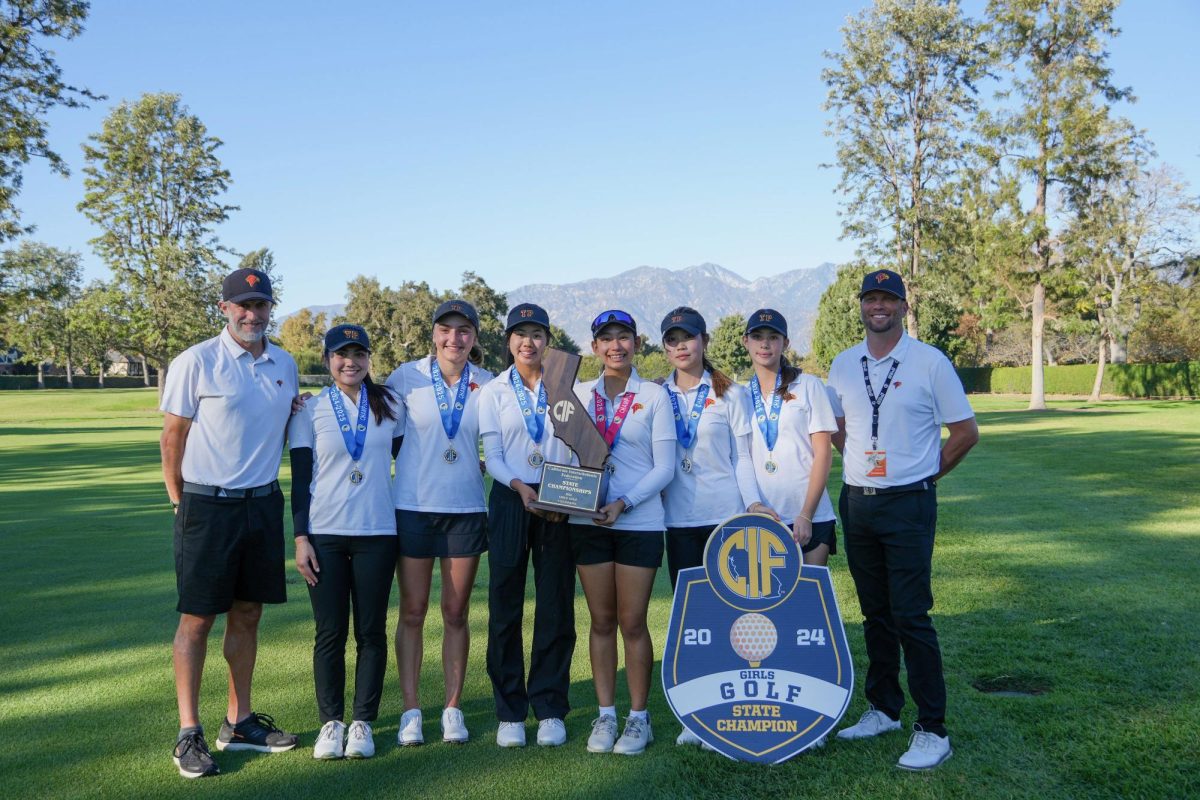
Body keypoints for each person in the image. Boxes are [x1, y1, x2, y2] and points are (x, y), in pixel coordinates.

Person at [826, 269, 979, 770]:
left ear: (903, 307)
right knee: (875, 614)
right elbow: (838, 428)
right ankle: (884, 708)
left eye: (889, 299)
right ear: (862, 305)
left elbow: (964, 432)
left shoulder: (929, 362)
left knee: (912, 615)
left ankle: (932, 728)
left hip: (908, 501)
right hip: (858, 501)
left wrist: (924, 475)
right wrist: (859, 462)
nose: (879, 307)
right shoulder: (844, 364)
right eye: (872, 298)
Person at [160, 268, 300, 779]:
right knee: (197, 619)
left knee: (248, 614)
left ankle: (238, 722)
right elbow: (172, 439)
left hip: (262, 505)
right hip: (206, 506)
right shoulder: (197, 361)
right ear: (224, 308)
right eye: (243, 305)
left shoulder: (284, 362)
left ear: (269, 308)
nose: (252, 314)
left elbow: (285, 424)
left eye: (260, 304)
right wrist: (181, 502)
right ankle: (189, 732)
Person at [288, 325, 402, 760]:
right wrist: (302, 538)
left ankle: (362, 723)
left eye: (358, 353)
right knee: (330, 633)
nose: (350, 361)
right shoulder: (308, 411)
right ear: (328, 359)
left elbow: (410, 456)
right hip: (326, 536)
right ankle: (331, 723)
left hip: (378, 532)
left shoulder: (389, 405)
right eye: (341, 354)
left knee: (371, 632)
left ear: (370, 358)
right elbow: (301, 482)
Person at [386, 299, 493, 746]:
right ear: (433, 333)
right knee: (412, 611)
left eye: (464, 330)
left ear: (474, 336)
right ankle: (411, 710)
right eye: (446, 329)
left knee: (455, 611)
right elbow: (381, 434)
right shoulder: (405, 377)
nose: (455, 338)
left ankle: (452, 708)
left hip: (467, 508)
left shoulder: (488, 382)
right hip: (413, 506)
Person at [570, 309, 675, 756]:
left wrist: (623, 503)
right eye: (606, 338)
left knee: (632, 623)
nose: (616, 345)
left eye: (624, 337)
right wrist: (571, 496)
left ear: (637, 343)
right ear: (594, 347)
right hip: (587, 521)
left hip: (638, 521)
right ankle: (606, 713)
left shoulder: (654, 396)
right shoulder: (574, 394)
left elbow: (665, 467)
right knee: (601, 621)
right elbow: (564, 455)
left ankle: (638, 718)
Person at [659, 306, 763, 747]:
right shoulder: (654, 396)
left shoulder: (730, 394)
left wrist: (753, 503)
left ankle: (734, 705)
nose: (680, 345)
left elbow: (743, 458)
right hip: (678, 521)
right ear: (664, 347)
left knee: (733, 617)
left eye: (688, 337)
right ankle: (696, 714)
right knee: (692, 622)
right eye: (672, 339)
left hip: (727, 520)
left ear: (704, 341)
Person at [478, 303, 577, 748]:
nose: (528, 342)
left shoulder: (566, 387)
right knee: (505, 604)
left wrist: (569, 492)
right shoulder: (494, 391)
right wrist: (518, 485)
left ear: (547, 341)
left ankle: (550, 706)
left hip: (557, 499)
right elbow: (493, 455)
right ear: (508, 341)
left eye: (536, 333)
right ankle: (510, 710)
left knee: (555, 603)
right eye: (520, 334)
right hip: (511, 496)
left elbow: (577, 448)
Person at [741, 308, 838, 567]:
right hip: (762, 518)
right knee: (768, 606)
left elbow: (824, 454)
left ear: (786, 343)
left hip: (810, 517)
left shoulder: (808, 386)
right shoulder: (739, 396)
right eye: (757, 336)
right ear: (745, 341)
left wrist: (805, 514)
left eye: (773, 337)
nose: (765, 344)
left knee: (807, 603)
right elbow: (741, 459)